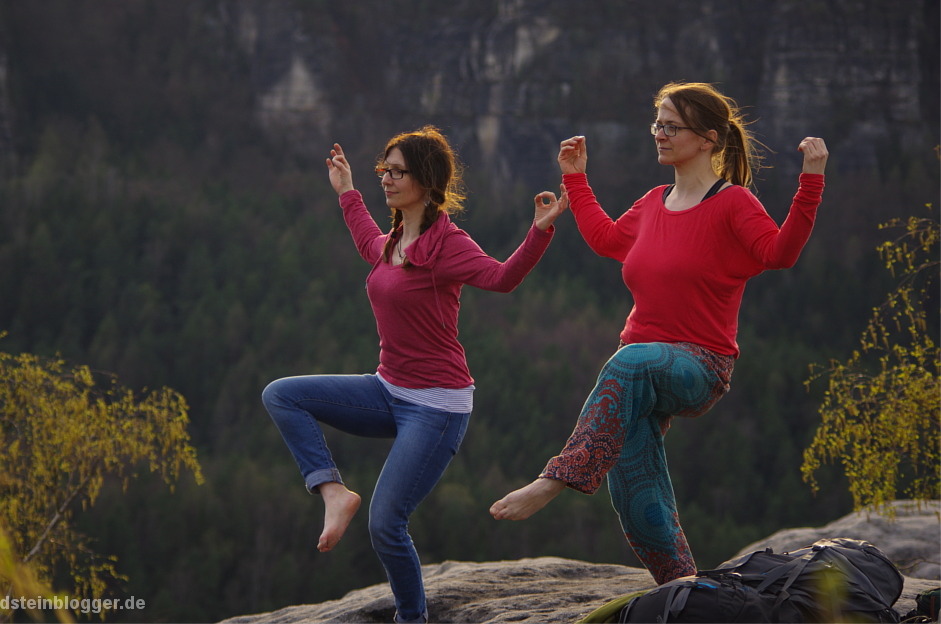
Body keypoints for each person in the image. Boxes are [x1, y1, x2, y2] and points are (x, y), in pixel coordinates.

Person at [489, 82, 829, 585]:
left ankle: (557, 478)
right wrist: (576, 180)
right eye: (657, 125)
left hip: (699, 364)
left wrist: (812, 181)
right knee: (637, 498)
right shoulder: (653, 202)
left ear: (708, 139)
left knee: (629, 360)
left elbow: (779, 253)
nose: (660, 135)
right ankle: (685, 592)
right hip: (640, 373)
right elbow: (607, 240)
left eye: (672, 127)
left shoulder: (733, 203)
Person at [263, 125, 568, 623]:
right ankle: (333, 491)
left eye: (397, 172)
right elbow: (367, 240)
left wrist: (539, 230)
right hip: (386, 389)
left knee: (386, 524)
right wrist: (348, 190)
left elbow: (501, 278)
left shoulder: (448, 245)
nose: (387, 178)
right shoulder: (393, 241)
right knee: (282, 395)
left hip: (437, 407)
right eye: (384, 169)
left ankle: (412, 620)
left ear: (425, 181)